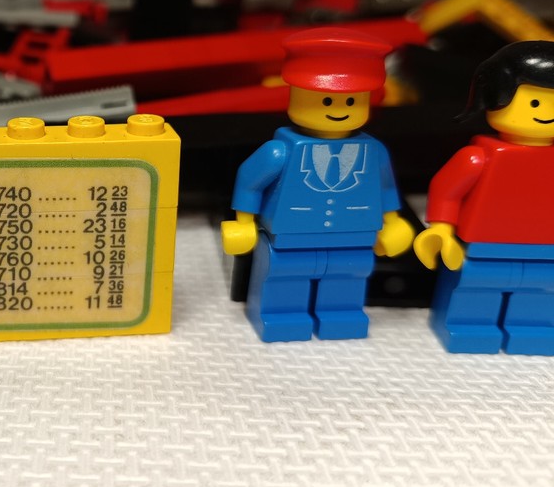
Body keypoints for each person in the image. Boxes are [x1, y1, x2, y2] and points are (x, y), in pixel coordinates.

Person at [222, 28, 414, 342]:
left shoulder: (374, 151)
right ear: (296, 95)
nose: (338, 109)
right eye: (326, 99)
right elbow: (249, 181)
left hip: (355, 236)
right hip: (290, 236)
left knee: (348, 275)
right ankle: (280, 316)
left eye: (351, 100)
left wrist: (393, 221)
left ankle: (341, 314)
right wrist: (243, 222)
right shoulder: (280, 151)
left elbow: (385, 188)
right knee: (286, 275)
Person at [414, 40, 554, 355]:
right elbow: (446, 189)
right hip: (483, 246)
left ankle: (530, 328)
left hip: (546, 251)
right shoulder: (479, 157)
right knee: (477, 286)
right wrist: (441, 228)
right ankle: (469, 327)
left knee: (540, 290)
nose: (546, 113)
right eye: (535, 102)